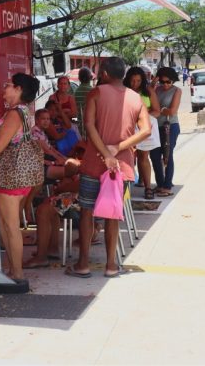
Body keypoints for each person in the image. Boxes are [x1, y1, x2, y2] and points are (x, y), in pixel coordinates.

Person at [67, 57, 150, 279]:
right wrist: (118, 148)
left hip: (94, 162)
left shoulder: (97, 93)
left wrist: (105, 152)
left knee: (86, 211)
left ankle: (83, 263)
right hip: (122, 165)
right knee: (113, 213)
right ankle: (111, 265)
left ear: (103, 73)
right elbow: (146, 130)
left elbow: (89, 126)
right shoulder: (135, 98)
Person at [0, 72, 42, 284]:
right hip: (17, 176)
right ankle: (13, 270)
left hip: (10, 176)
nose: (5, 89)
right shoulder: (24, 111)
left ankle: (17, 273)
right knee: (6, 224)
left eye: (8, 85)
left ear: (19, 89)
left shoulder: (14, 114)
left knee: (10, 226)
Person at [123, 66, 160, 200]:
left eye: (138, 81)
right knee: (128, 158)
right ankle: (125, 189)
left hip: (143, 128)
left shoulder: (148, 91)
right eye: (132, 81)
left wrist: (143, 116)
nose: (135, 84)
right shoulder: (123, 91)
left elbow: (157, 111)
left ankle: (148, 187)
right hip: (127, 129)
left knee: (143, 157)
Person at [150, 67, 182, 197]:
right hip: (155, 127)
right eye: (162, 82)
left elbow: (172, 111)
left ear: (173, 80)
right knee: (154, 156)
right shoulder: (156, 89)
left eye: (168, 81)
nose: (165, 84)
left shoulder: (177, 91)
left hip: (170, 126)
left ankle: (167, 185)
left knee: (168, 156)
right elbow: (149, 97)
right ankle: (160, 183)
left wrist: (159, 109)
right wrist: (154, 82)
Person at [73, 67, 94, 137]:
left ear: (79, 78)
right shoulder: (93, 91)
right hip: (91, 123)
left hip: (79, 123)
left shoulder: (76, 92)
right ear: (91, 77)